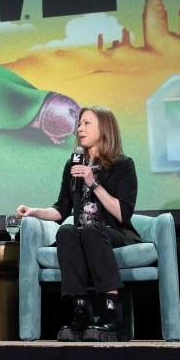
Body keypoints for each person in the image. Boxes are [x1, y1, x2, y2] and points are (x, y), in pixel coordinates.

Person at [16, 106, 141, 342]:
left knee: (93, 230)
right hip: (84, 234)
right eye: (80, 124)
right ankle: (81, 311)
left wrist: (93, 183)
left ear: (104, 129)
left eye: (86, 123)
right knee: (66, 231)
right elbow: (61, 210)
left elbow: (123, 213)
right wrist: (33, 212)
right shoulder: (72, 166)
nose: (79, 129)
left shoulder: (123, 165)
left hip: (114, 232)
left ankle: (112, 312)